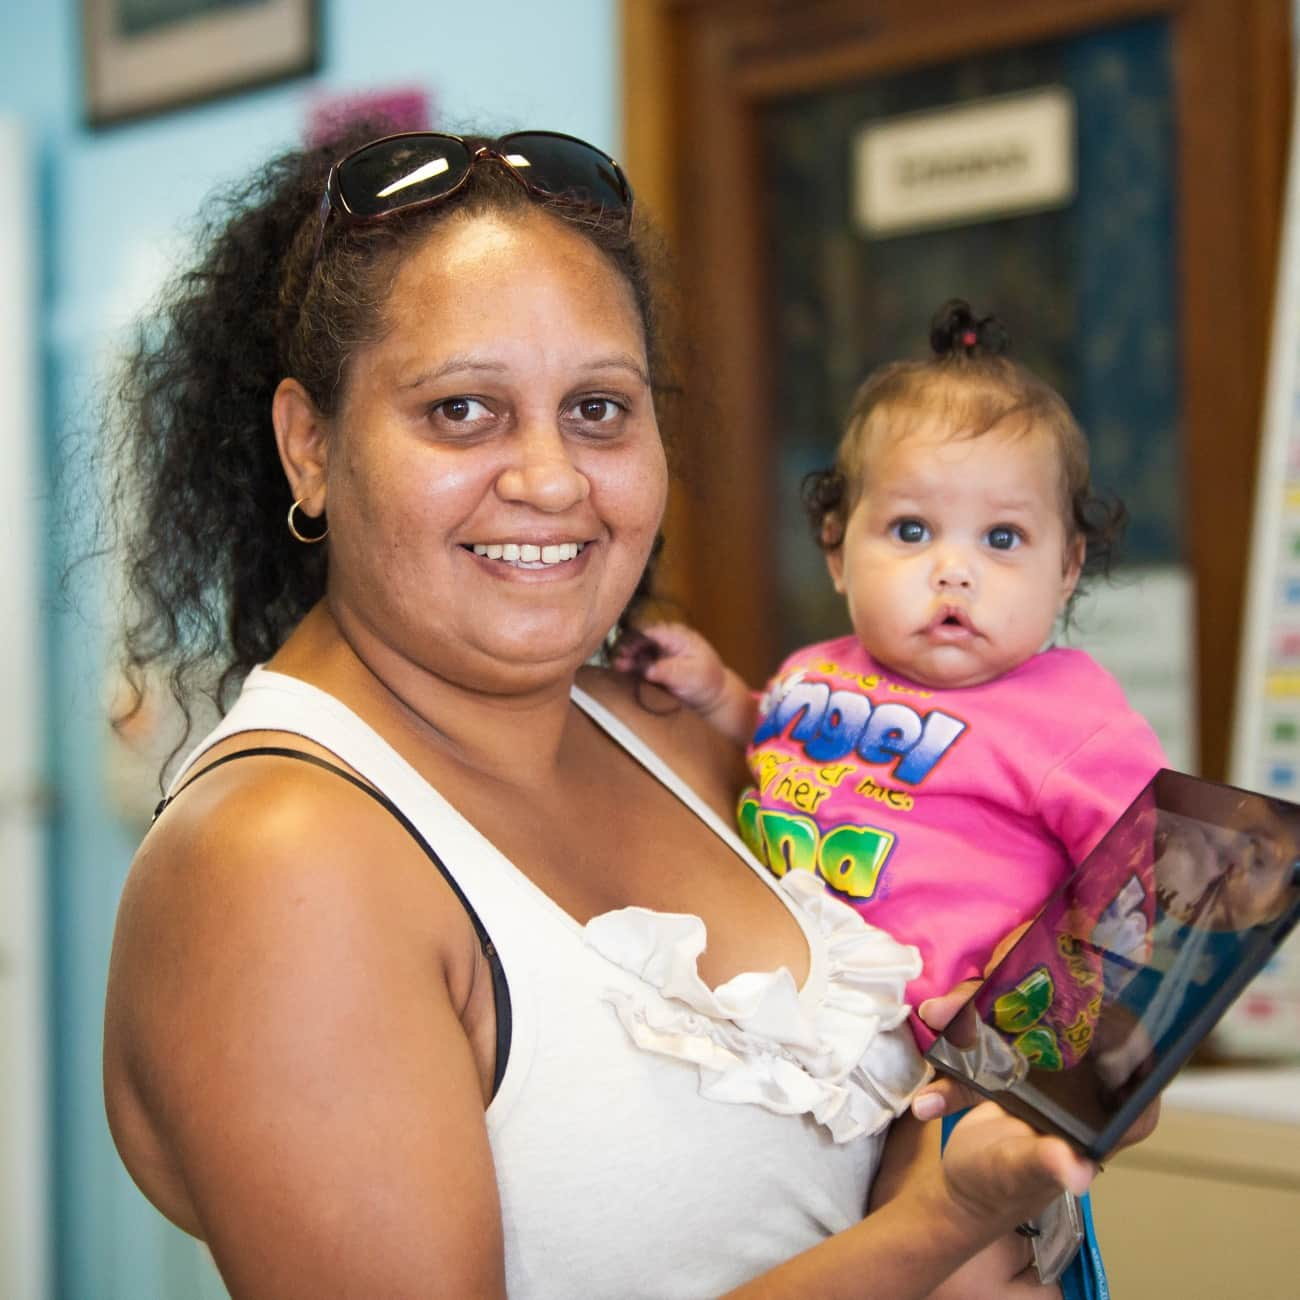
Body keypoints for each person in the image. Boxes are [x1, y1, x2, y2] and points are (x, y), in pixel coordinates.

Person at [100, 126, 1130, 1299]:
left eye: (598, 408)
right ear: (309, 446)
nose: (551, 478)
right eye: (460, 410)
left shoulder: (674, 727)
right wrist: (941, 1223)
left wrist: (1033, 1088)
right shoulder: (276, 864)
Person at [620, 302, 1168, 1293]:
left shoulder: (1067, 715)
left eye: (1003, 537)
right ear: (835, 548)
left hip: (962, 1065)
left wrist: (1048, 1002)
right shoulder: (818, 669)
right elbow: (794, 763)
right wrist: (717, 695)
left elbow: (1151, 868)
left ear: (1067, 567)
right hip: (819, 1048)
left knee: (951, 1265)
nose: (952, 568)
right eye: (910, 530)